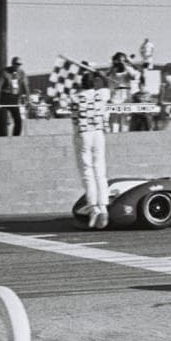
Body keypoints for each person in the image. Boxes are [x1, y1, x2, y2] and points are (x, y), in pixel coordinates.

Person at [71, 63, 111, 229]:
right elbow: (107, 84)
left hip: (84, 134)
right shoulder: (101, 94)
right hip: (98, 133)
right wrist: (99, 74)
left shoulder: (75, 97)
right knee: (100, 172)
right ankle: (103, 206)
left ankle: (94, 207)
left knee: (87, 171)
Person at [0, 56, 29, 136]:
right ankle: (1, 137)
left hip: (14, 97)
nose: (17, 66)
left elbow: (26, 86)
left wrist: (28, 100)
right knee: (2, 119)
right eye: (16, 64)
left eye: (19, 64)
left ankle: (15, 137)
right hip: (4, 96)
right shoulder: (5, 72)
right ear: (12, 64)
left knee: (18, 120)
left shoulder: (21, 73)